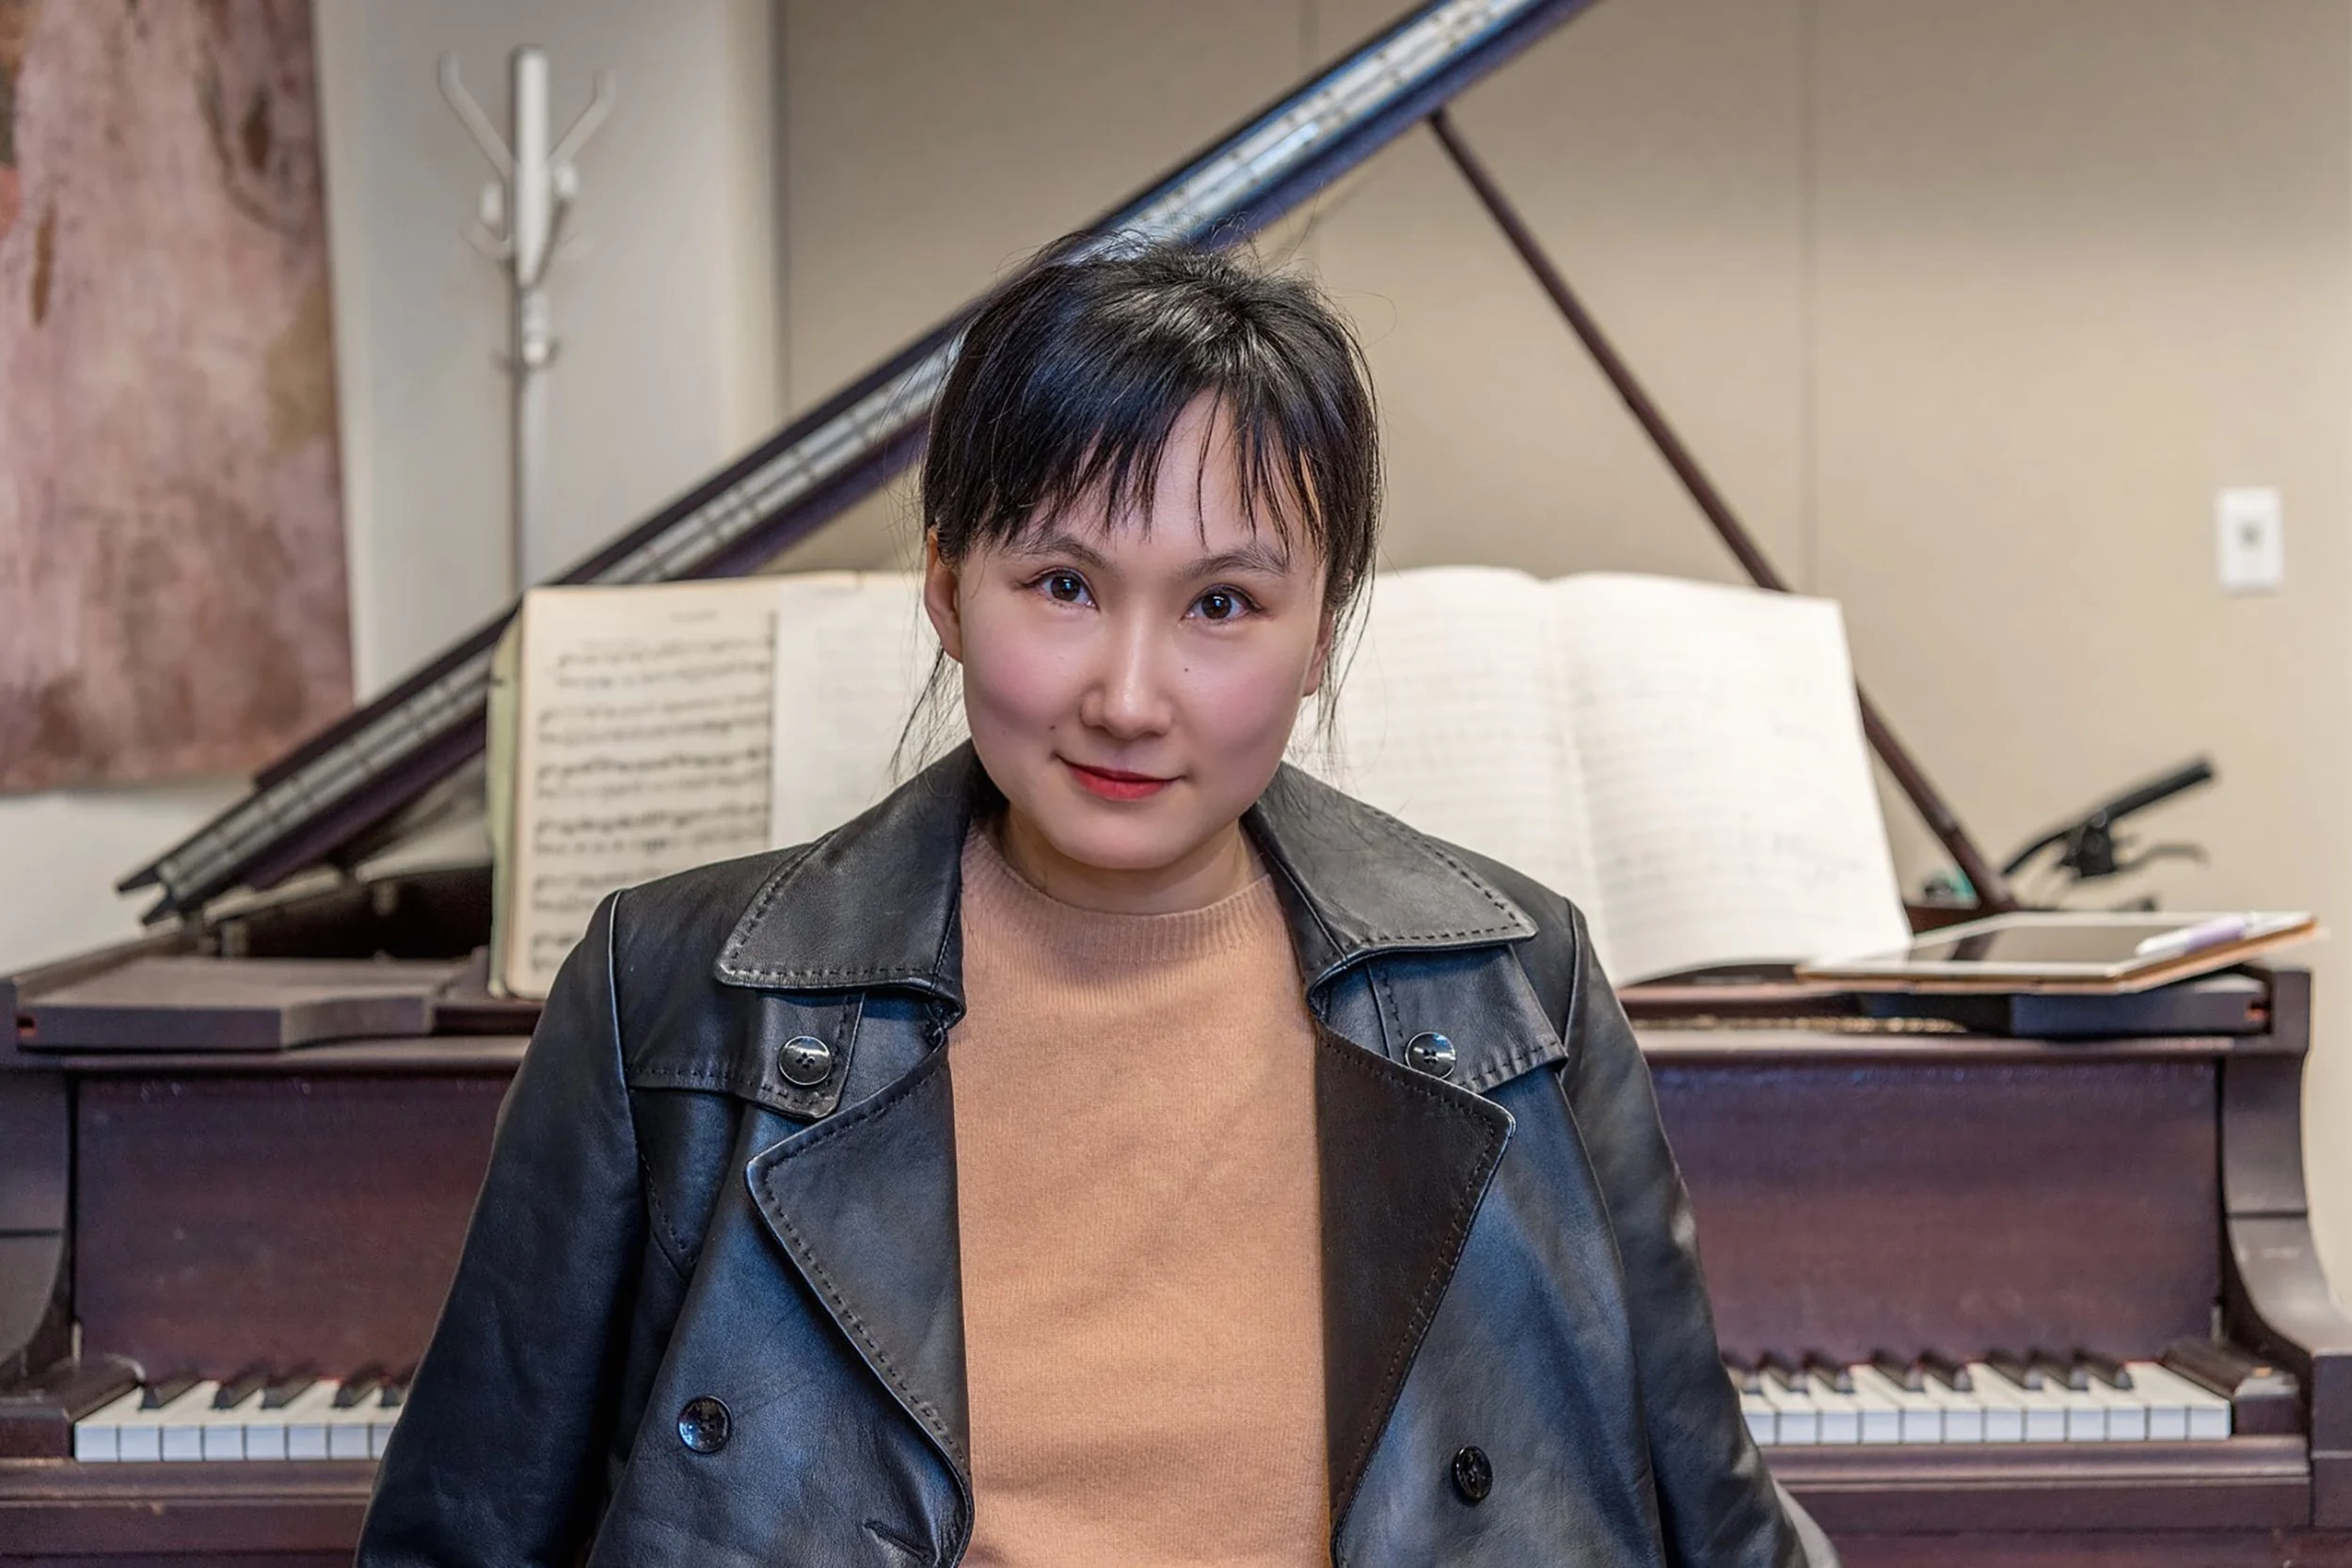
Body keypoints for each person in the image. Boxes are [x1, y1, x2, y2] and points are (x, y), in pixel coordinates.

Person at [357, 237, 1834, 1567]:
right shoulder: (663, 996)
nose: (1129, 699)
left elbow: (1724, 1533)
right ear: (945, 585)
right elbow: (461, 1541)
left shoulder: (1522, 985)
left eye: (1221, 606)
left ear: (1320, 631)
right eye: (1061, 584)